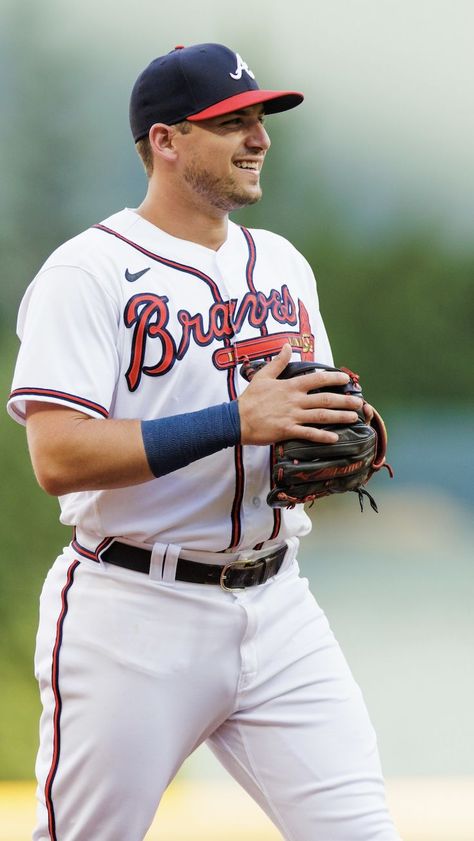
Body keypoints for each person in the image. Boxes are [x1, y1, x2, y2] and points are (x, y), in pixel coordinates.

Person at [8, 43, 400, 841]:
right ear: (165, 140)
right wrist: (233, 422)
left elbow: (298, 412)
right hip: (134, 611)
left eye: (260, 120)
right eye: (233, 122)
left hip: (279, 601)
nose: (259, 138)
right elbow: (58, 457)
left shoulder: (283, 263)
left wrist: (331, 433)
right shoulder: (85, 273)